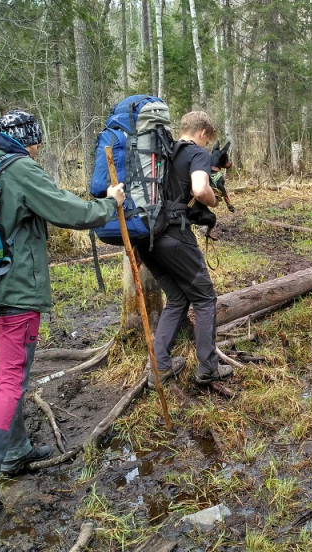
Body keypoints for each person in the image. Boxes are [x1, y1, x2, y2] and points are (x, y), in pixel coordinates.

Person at [0, 110, 125, 511]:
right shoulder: (19, 168)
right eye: (35, 141)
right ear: (26, 139)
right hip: (14, 291)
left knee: (6, 374)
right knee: (12, 380)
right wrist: (107, 204)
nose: (37, 148)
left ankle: (14, 452)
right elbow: (68, 211)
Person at [137, 111, 233, 387]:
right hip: (174, 237)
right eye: (208, 139)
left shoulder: (162, 154)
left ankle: (160, 368)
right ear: (202, 133)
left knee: (178, 299)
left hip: (147, 239)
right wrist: (214, 202)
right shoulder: (196, 154)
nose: (206, 145)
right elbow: (201, 190)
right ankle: (208, 368)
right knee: (204, 299)